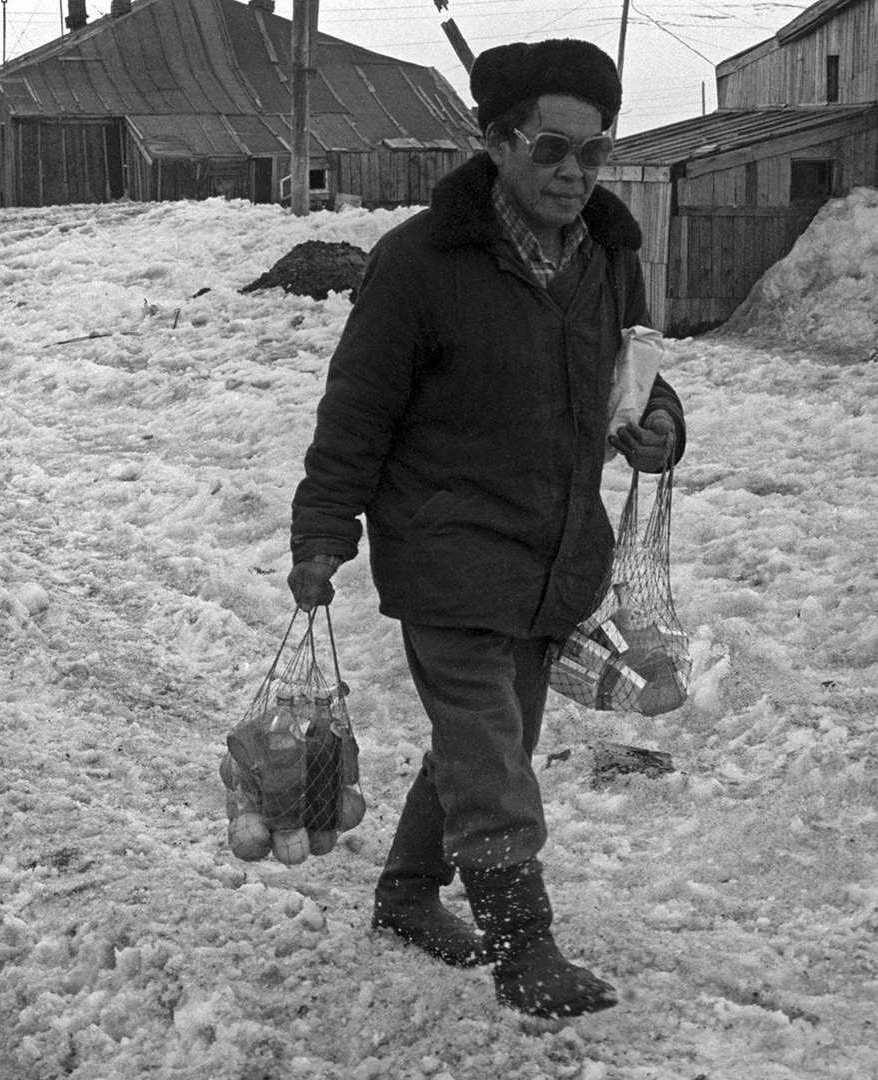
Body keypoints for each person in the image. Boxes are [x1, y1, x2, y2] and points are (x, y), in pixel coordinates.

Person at [285, 39, 686, 1020]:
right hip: (447, 548)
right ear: (496, 141)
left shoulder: (610, 254)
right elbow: (358, 412)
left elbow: (629, 374)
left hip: (553, 553)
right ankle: (524, 945)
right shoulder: (420, 263)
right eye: (552, 149)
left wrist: (658, 423)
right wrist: (322, 532)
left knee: (487, 744)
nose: (573, 175)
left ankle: (408, 892)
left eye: (594, 155)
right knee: (491, 756)